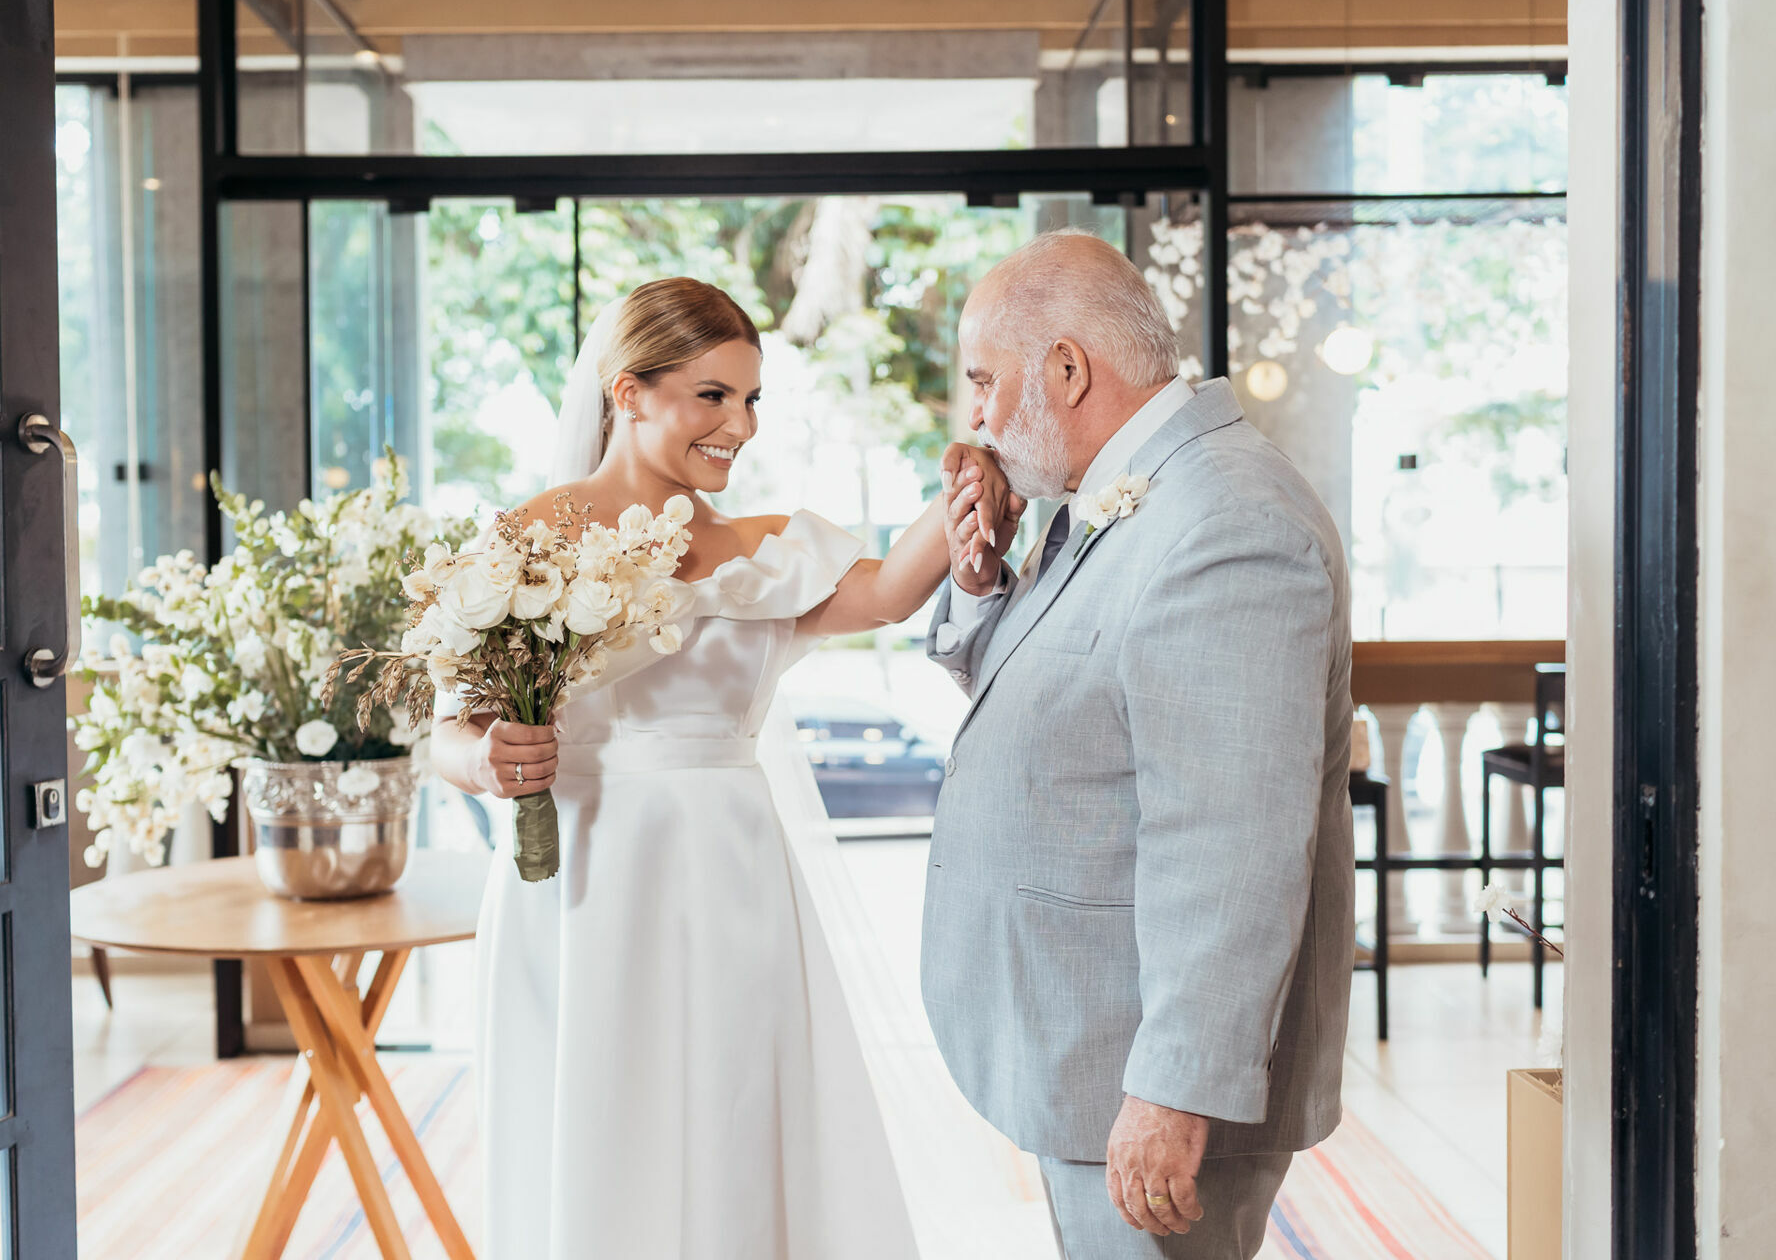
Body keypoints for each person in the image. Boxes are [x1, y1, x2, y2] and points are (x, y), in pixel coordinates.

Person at [430, 277, 1013, 1260]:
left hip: (735, 884)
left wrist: (973, 468)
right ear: (629, 394)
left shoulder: (758, 550)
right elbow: (447, 728)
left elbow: (883, 594)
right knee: (600, 1127)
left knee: (735, 1121)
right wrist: (485, 757)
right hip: (578, 883)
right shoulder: (523, 541)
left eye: (751, 399)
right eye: (713, 396)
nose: (739, 425)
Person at [923, 230, 1356, 1259]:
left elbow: (1230, 836)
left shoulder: (1227, 520)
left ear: (1067, 368)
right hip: (1086, 1035)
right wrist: (982, 581)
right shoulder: (1123, 496)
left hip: (1145, 1065)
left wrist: (1174, 1085)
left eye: (985, 379)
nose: (975, 414)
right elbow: (1062, 697)